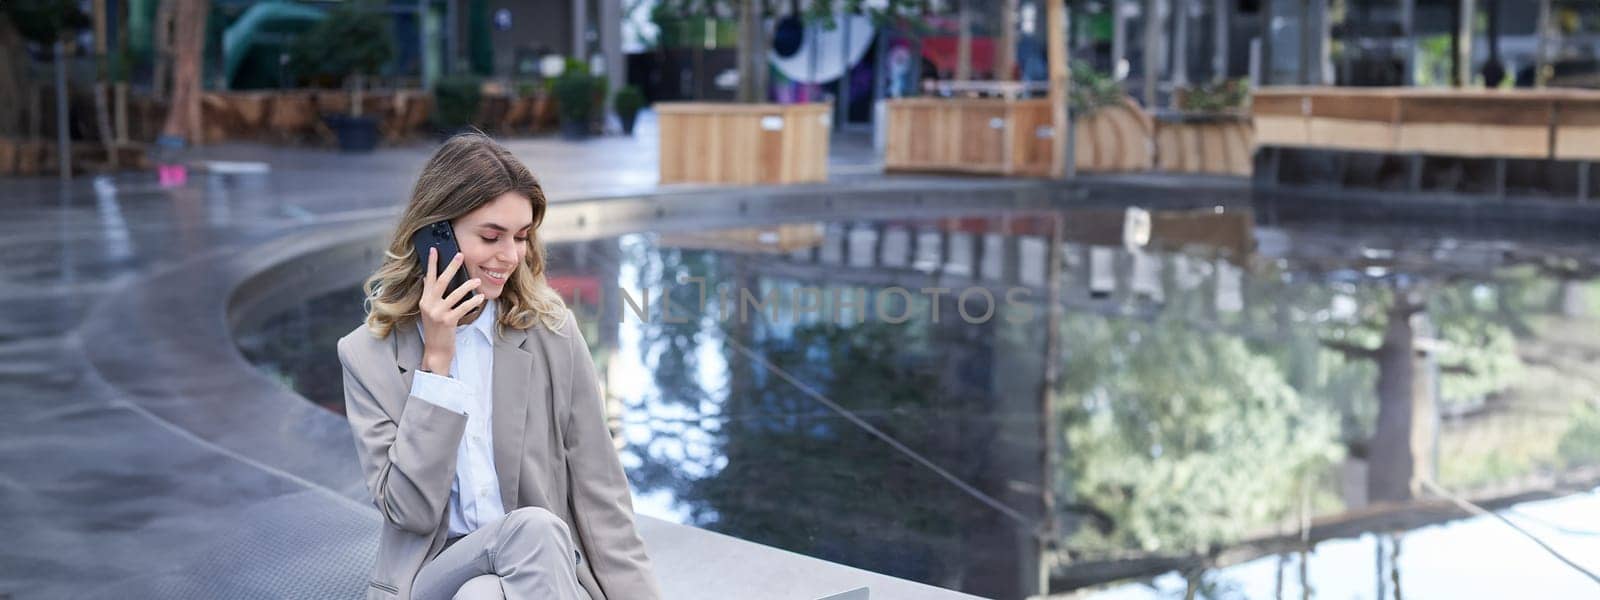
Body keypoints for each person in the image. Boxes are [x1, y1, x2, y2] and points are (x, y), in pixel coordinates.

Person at [336, 133, 661, 600]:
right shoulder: (368, 355)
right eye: (491, 236)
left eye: (522, 237)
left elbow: (601, 496)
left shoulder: (552, 333)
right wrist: (437, 368)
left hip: (538, 572)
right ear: (436, 236)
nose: (510, 256)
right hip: (432, 579)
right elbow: (410, 513)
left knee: (488, 590)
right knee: (530, 531)